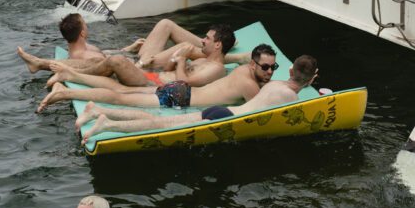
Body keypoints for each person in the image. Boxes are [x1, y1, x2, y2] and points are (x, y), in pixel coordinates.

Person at [75, 55, 318, 143]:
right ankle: (109, 124)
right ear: (313, 77)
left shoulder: (274, 83)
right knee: (157, 124)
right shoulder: (287, 96)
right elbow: (296, 119)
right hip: (225, 120)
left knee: (159, 121)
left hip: (219, 112)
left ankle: (100, 113)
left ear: (289, 70)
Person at [38, 44, 278, 113]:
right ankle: (65, 92)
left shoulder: (243, 70)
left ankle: (70, 78)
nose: (269, 72)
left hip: (178, 90)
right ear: (254, 65)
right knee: (120, 98)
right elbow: (263, 109)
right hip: (180, 98)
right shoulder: (249, 83)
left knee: (121, 92)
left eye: (273, 67)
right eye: (266, 67)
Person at [47, 25, 236, 92]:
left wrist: (181, 60)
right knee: (106, 60)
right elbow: (173, 73)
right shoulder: (202, 61)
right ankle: (52, 67)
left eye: (207, 39)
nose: (202, 40)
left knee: (115, 61)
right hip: (154, 74)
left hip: (150, 84)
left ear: (218, 45)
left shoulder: (216, 69)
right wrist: (176, 60)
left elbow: (183, 84)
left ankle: (68, 73)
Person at [17, 13, 143, 78]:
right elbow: (112, 66)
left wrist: (129, 48)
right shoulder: (83, 57)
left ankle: (39, 63)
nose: (87, 26)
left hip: (124, 62)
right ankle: (38, 63)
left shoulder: (85, 48)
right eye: (85, 24)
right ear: (82, 33)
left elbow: (109, 56)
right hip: (135, 70)